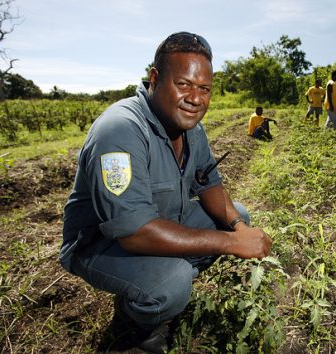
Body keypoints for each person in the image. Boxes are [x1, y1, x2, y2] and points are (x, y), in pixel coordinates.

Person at [59, 32, 273, 353]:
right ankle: (138, 324)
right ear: (155, 79)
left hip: (160, 220)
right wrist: (232, 243)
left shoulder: (192, 129)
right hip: (99, 242)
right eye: (183, 84)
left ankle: (157, 285)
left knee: (236, 216)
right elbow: (134, 233)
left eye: (204, 89)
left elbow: (209, 183)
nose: (195, 98)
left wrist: (238, 229)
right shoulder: (121, 129)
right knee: (172, 281)